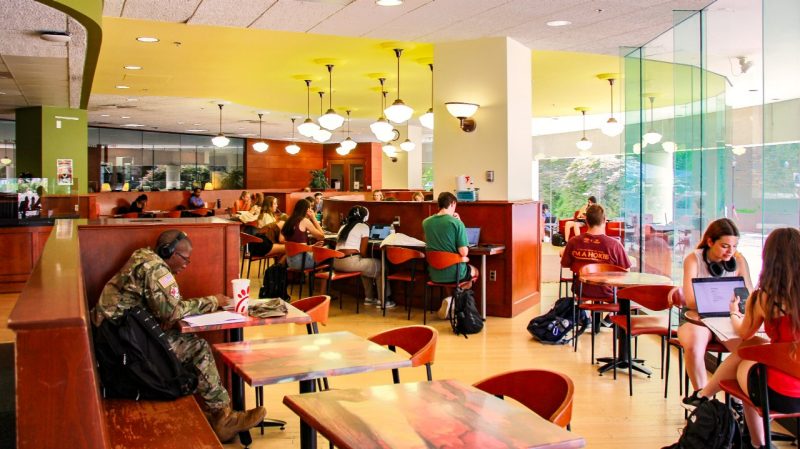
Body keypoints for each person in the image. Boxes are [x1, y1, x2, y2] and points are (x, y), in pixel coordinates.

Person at [90, 230, 265, 442]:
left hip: (115, 338)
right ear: (168, 251)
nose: (186, 264)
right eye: (184, 258)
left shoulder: (142, 256)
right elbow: (172, 311)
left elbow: (162, 309)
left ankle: (218, 412)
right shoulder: (156, 269)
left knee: (184, 340)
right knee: (198, 347)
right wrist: (214, 301)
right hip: (124, 346)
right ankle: (223, 418)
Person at [688, 228, 800, 449]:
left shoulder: (764, 298)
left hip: (775, 393)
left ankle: (758, 443)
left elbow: (743, 333)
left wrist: (733, 313)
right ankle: (704, 394)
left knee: (748, 352)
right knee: (755, 347)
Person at [679, 218, 753, 406]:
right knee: (694, 346)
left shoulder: (738, 261)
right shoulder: (693, 259)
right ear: (710, 242)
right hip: (697, 318)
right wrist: (725, 302)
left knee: (747, 351)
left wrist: (742, 265)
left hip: (729, 318)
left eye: (734, 246)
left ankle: (737, 398)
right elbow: (691, 300)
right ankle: (702, 398)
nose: (730, 252)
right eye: (725, 246)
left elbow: (748, 294)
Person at [560, 203, 631, 308]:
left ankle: (589, 319)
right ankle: (609, 322)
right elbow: (626, 271)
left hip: (581, 290)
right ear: (605, 220)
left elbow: (565, 264)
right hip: (606, 291)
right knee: (626, 292)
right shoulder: (614, 245)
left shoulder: (573, 242)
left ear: (586, 221)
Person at [422, 192, 479, 319]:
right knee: (474, 272)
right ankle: (454, 303)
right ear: (452, 203)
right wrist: (459, 224)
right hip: (455, 273)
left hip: (434, 274)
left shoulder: (426, 222)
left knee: (452, 275)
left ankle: (450, 303)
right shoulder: (457, 223)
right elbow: (464, 252)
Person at [333, 206, 392, 308]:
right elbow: (363, 251)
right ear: (365, 217)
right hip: (350, 262)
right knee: (381, 266)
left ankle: (369, 298)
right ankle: (383, 300)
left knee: (367, 266)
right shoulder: (363, 226)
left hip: (336, 262)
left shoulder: (343, 226)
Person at [280, 199, 325, 270]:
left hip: (290, 262)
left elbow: (296, 245)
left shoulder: (289, 221)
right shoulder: (305, 221)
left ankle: (309, 279)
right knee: (327, 256)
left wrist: (311, 246)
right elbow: (321, 236)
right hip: (302, 261)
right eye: (310, 208)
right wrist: (313, 218)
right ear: (307, 209)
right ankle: (316, 280)